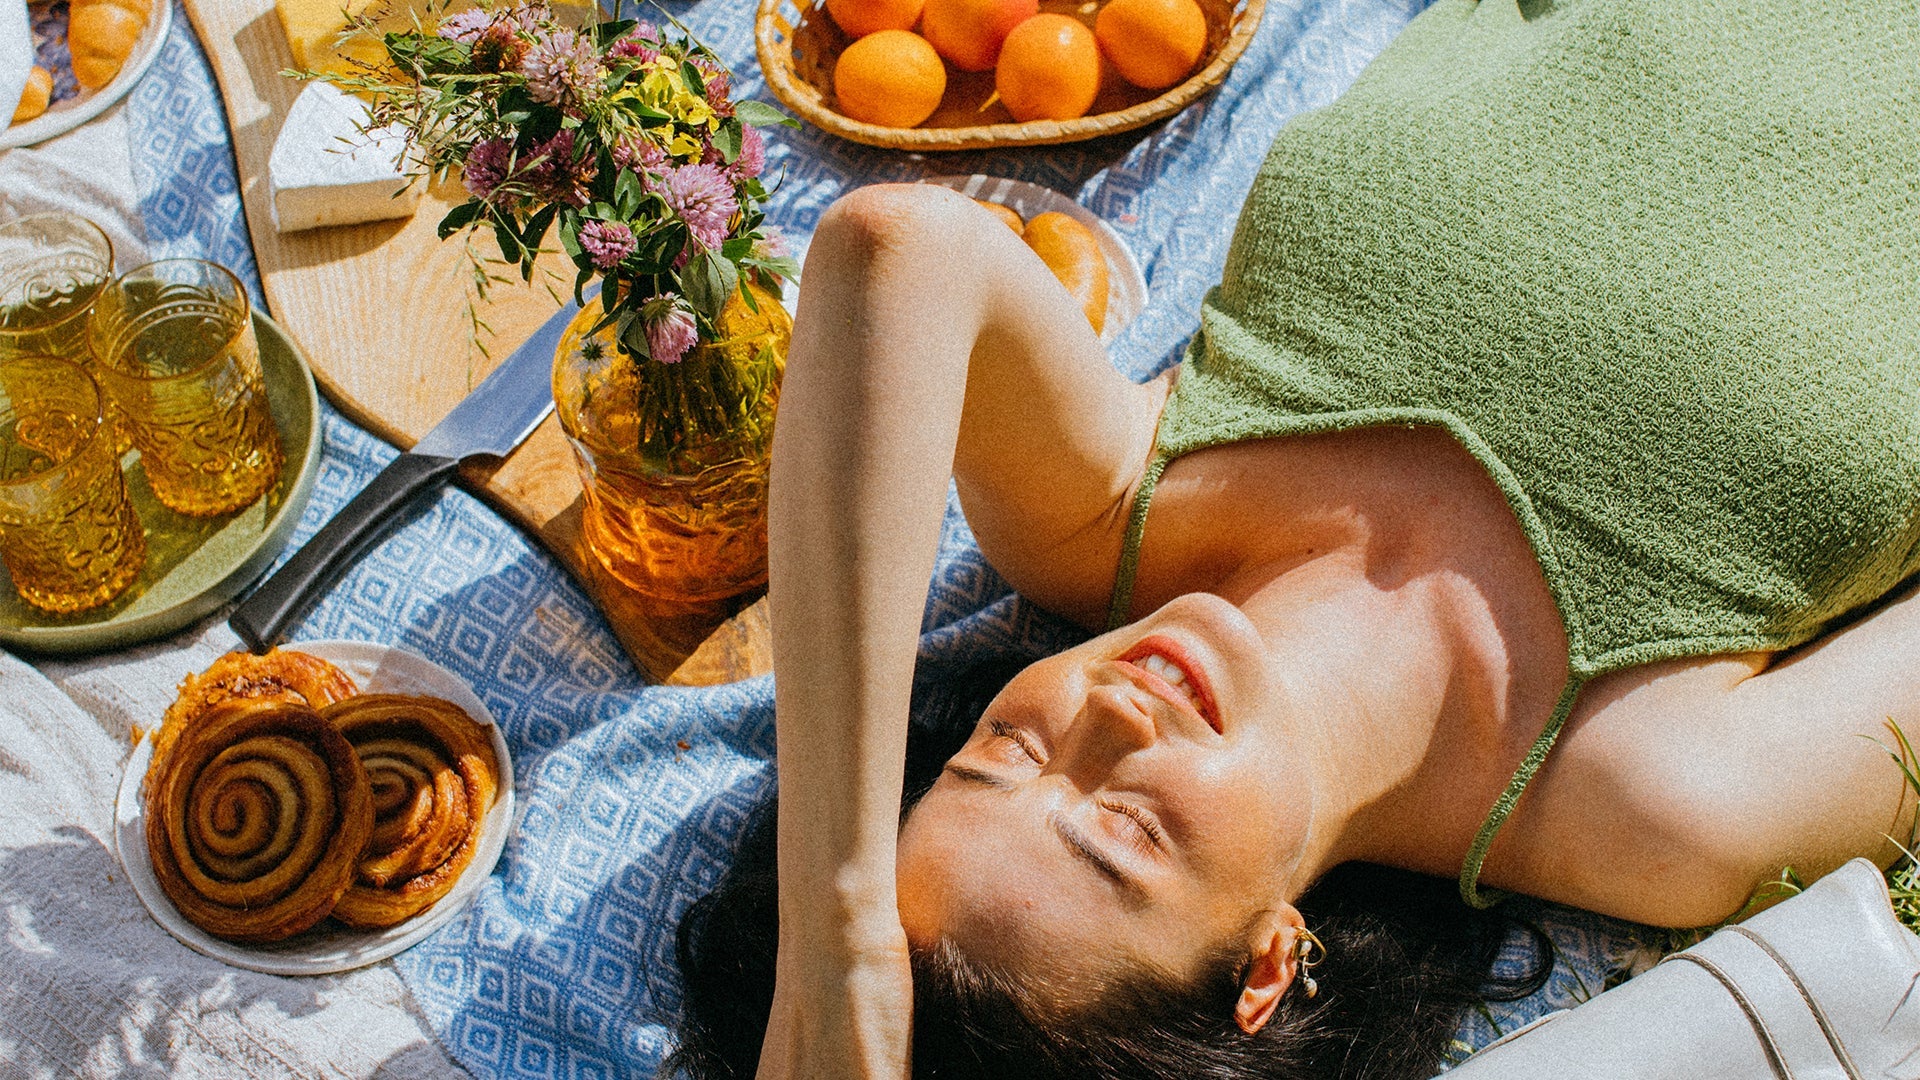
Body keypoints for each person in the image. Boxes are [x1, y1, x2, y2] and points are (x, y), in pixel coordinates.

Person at [674, 0, 1920, 1075]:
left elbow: (896, 251)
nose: (1107, 717)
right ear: (1266, 967)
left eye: (1002, 750)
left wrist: (838, 937)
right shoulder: (1654, 801)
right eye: (1131, 831)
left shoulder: (1098, 518)